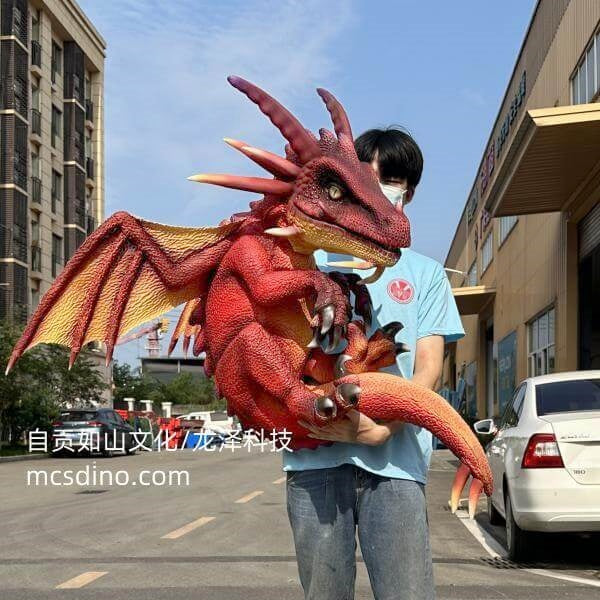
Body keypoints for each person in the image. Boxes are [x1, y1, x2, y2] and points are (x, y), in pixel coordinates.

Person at [283, 127, 465, 600]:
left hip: (395, 463)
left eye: (392, 178)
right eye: (368, 175)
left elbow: (428, 368)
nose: (381, 185)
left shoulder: (425, 273)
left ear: (409, 192)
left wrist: (387, 427)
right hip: (314, 458)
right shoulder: (308, 259)